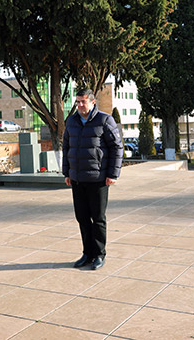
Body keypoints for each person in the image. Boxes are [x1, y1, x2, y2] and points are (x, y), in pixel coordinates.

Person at [62, 89, 123, 270]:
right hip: (77, 179)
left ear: (92, 102)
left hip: (98, 179)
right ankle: (87, 253)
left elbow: (116, 148)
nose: (80, 105)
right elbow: (66, 147)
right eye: (78, 102)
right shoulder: (72, 121)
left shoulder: (104, 120)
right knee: (82, 217)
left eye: (83, 102)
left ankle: (99, 254)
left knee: (97, 218)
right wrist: (67, 173)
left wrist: (113, 174)